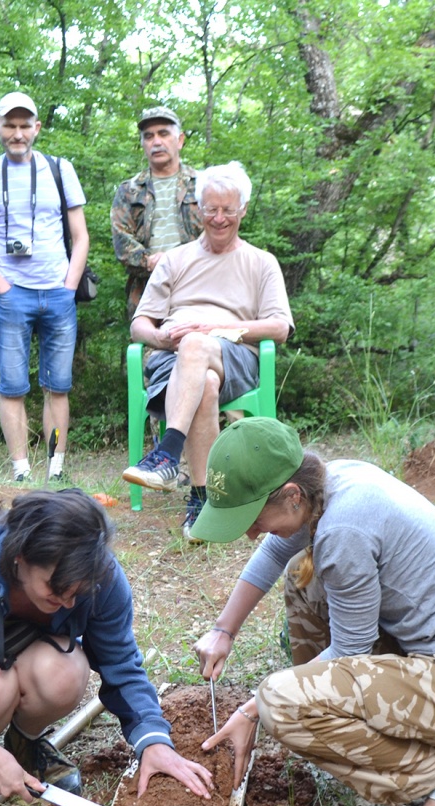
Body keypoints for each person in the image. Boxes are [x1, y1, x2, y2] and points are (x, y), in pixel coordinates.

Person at [190, 418, 435, 806]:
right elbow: (277, 547)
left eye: (253, 519)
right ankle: (336, 722)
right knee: (302, 574)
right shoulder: (331, 479)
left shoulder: (345, 531)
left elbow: (350, 651)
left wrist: (256, 710)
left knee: (278, 700)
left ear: (292, 494)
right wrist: (223, 630)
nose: (252, 532)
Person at [0, 488, 214, 802]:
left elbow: (122, 667)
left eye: (76, 593)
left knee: (66, 670)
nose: (68, 602)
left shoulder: (100, 579)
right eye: (55, 588)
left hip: (25, 663)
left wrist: (153, 739)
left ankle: (26, 744)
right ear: (20, 557)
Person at [123, 162, 292, 540]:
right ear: (198, 210)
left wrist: (211, 329)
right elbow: (139, 325)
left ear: (243, 209)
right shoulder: (174, 260)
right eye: (211, 209)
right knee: (206, 384)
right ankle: (204, 502)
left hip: (236, 355)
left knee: (198, 344)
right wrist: (165, 339)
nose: (219, 218)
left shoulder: (262, 263)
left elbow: (279, 327)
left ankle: (167, 452)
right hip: (174, 359)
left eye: (228, 210)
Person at [0, 91, 90, 482]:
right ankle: (20, 470)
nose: (18, 134)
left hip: (58, 294)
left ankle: (55, 468)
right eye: (10, 126)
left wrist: (69, 286)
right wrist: (2, 287)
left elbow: (81, 236)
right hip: (12, 295)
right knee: (13, 386)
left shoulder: (60, 169)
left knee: (58, 386)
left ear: (36, 128)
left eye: (24, 126)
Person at [111, 106, 202, 320]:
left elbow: (219, 230)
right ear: (142, 144)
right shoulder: (129, 190)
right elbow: (122, 242)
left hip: (200, 286)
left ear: (179, 140)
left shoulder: (203, 185)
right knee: (150, 351)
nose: (157, 142)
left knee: (199, 347)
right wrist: (150, 261)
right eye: (149, 136)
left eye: (164, 133)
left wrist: (179, 261)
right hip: (147, 290)